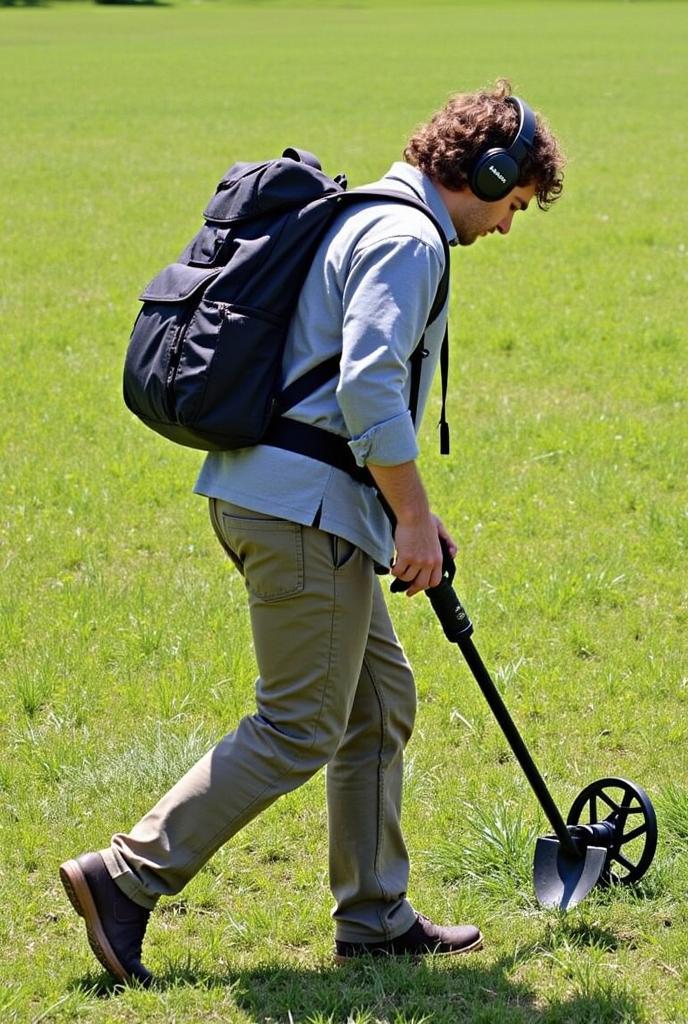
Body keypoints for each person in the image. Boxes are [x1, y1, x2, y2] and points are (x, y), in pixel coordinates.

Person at [60, 80, 565, 985]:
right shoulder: (408, 240)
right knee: (299, 725)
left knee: (376, 705)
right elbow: (368, 387)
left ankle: (374, 917)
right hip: (301, 515)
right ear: (486, 173)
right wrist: (406, 512)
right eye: (514, 205)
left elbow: (335, 383)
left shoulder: (367, 213)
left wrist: (413, 508)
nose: (507, 228)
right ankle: (126, 879)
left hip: (287, 496)